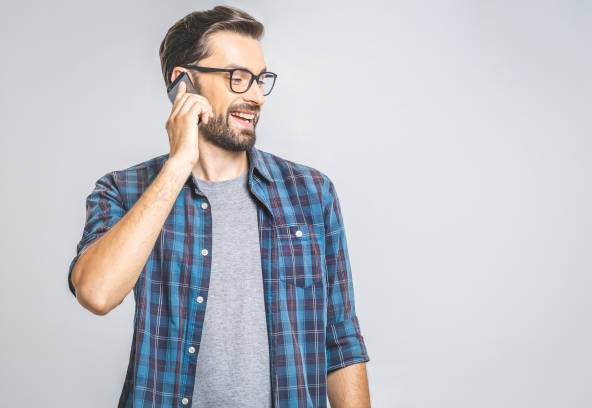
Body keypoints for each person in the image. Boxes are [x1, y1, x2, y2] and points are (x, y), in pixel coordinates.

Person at [67, 6, 370, 408]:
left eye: (260, 79)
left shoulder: (311, 193)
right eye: (238, 77)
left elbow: (340, 339)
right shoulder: (124, 190)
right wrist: (178, 164)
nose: (256, 96)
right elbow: (96, 293)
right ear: (184, 84)